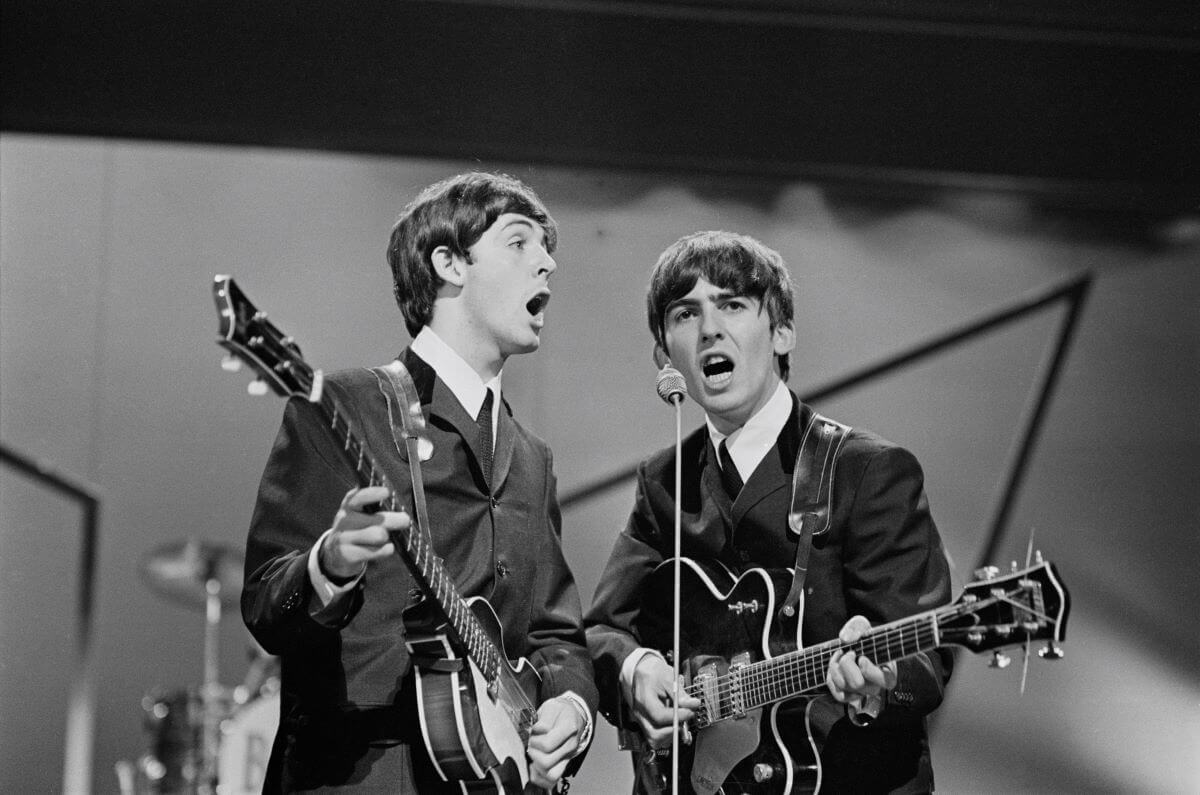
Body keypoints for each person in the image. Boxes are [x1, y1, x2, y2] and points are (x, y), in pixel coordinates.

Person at [242, 172, 598, 792]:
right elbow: (266, 604)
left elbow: (555, 634)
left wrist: (570, 708)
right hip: (358, 775)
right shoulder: (344, 405)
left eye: (548, 251)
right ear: (450, 264)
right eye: (520, 244)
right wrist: (330, 564)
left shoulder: (533, 457)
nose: (546, 265)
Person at [586, 230, 953, 793]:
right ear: (665, 355)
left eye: (732, 305)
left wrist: (878, 681)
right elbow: (604, 631)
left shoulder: (868, 471)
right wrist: (639, 673)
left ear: (782, 332)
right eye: (685, 314)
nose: (710, 328)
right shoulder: (662, 482)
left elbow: (924, 659)